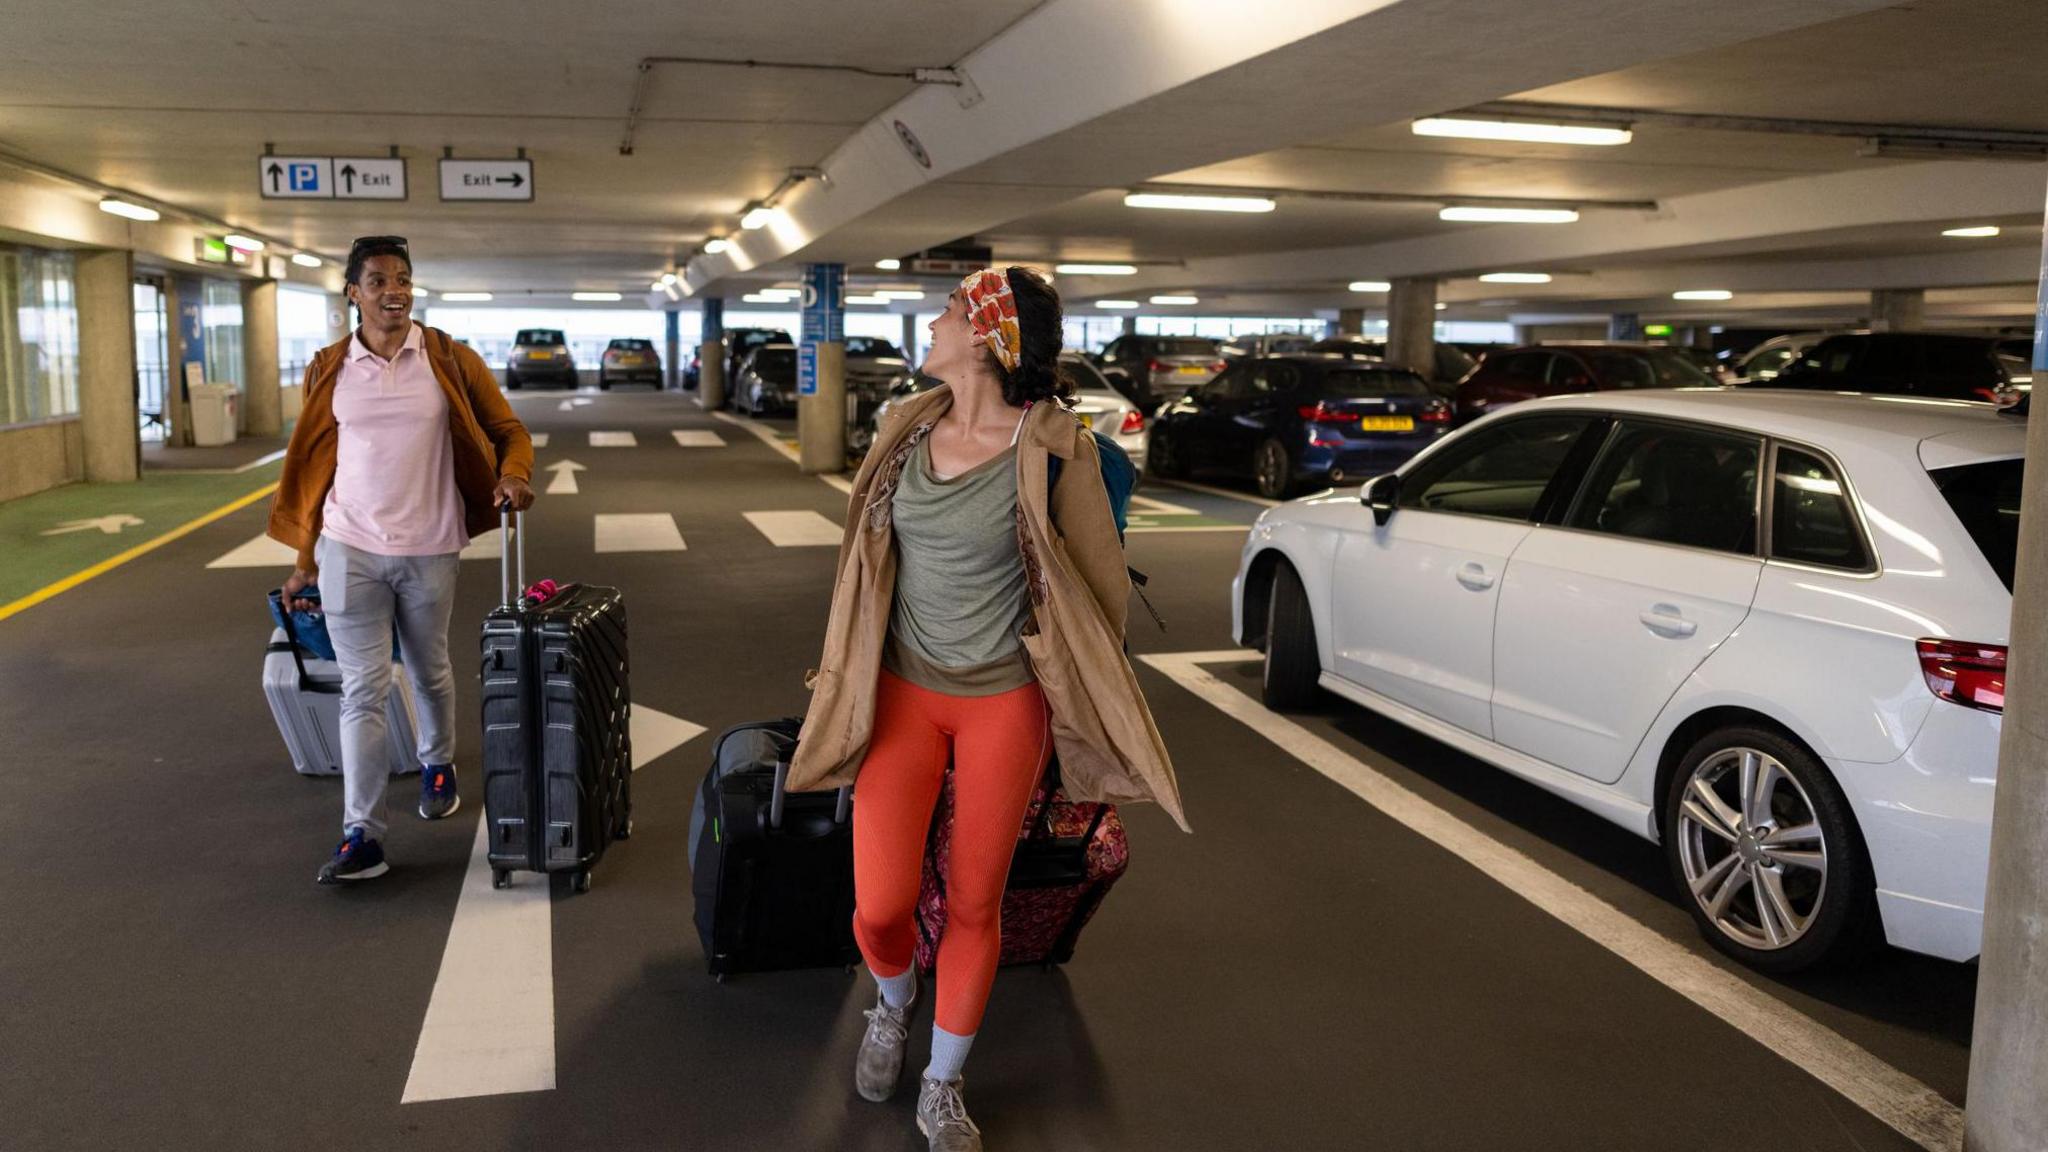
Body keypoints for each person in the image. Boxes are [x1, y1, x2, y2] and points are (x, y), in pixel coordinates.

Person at [788, 267, 1189, 1151]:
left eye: (944, 312)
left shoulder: (1053, 451)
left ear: (985, 336)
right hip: (901, 691)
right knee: (880, 908)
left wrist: (1079, 691)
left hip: (1003, 702)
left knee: (975, 903)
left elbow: (1098, 588)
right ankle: (892, 1007)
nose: (928, 323)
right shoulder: (904, 429)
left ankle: (943, 1080)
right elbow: (865, 557)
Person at [267, 235, 535, 885]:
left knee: (428, 669)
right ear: (353, 294)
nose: (396, 289)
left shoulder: (448, 358)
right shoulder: (329, 367)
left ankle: (436, 761)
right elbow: (317, 467)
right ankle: (362, 833)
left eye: (405, 278)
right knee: (363, 688)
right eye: (380, 279)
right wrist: (306, 556)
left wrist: (516, 474)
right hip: (349, 546)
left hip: (430, 545)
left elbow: (508, 432)